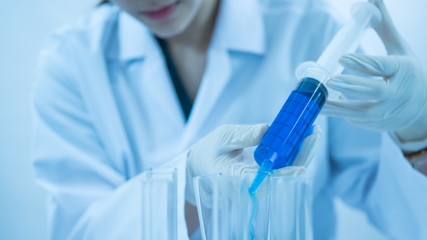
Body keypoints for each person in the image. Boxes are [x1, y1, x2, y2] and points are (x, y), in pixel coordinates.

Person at [32, 0, 427, 239]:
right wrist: (186, 187)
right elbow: (77, 233)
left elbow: (412, 223)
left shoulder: (312, 28)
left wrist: (418, 133)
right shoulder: (72, 62)